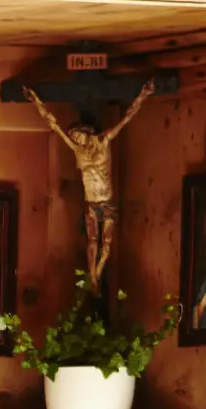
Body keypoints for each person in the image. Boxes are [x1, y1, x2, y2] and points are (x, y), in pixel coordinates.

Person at [23, 80, 155, 288]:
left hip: (107, 201)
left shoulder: (103, 141)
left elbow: (127, 117)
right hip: (91, 203)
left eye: (76, 134)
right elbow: (53, 124)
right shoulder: (78, 150)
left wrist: (143, 95)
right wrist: (36, 100)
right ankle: (93, 274)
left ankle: (98, 272)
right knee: (92, 241)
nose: (74, 138)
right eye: (73, 136)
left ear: (85, 131)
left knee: (107, 245)